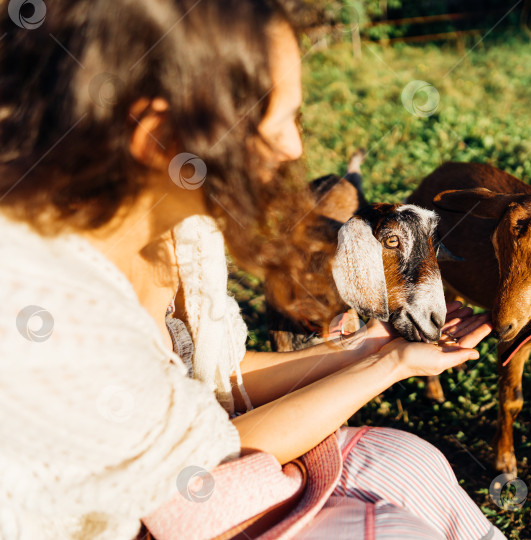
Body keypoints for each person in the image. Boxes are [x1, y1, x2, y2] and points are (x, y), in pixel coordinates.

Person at [0, 1, 505, 539]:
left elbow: (217, 377)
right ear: (159, 134)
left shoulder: (183, 226)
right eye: (282, 121)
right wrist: (389, 367)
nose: (296, 148)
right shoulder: (50, 313)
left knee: (409, 459)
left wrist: (366, 348)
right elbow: (199, 482)